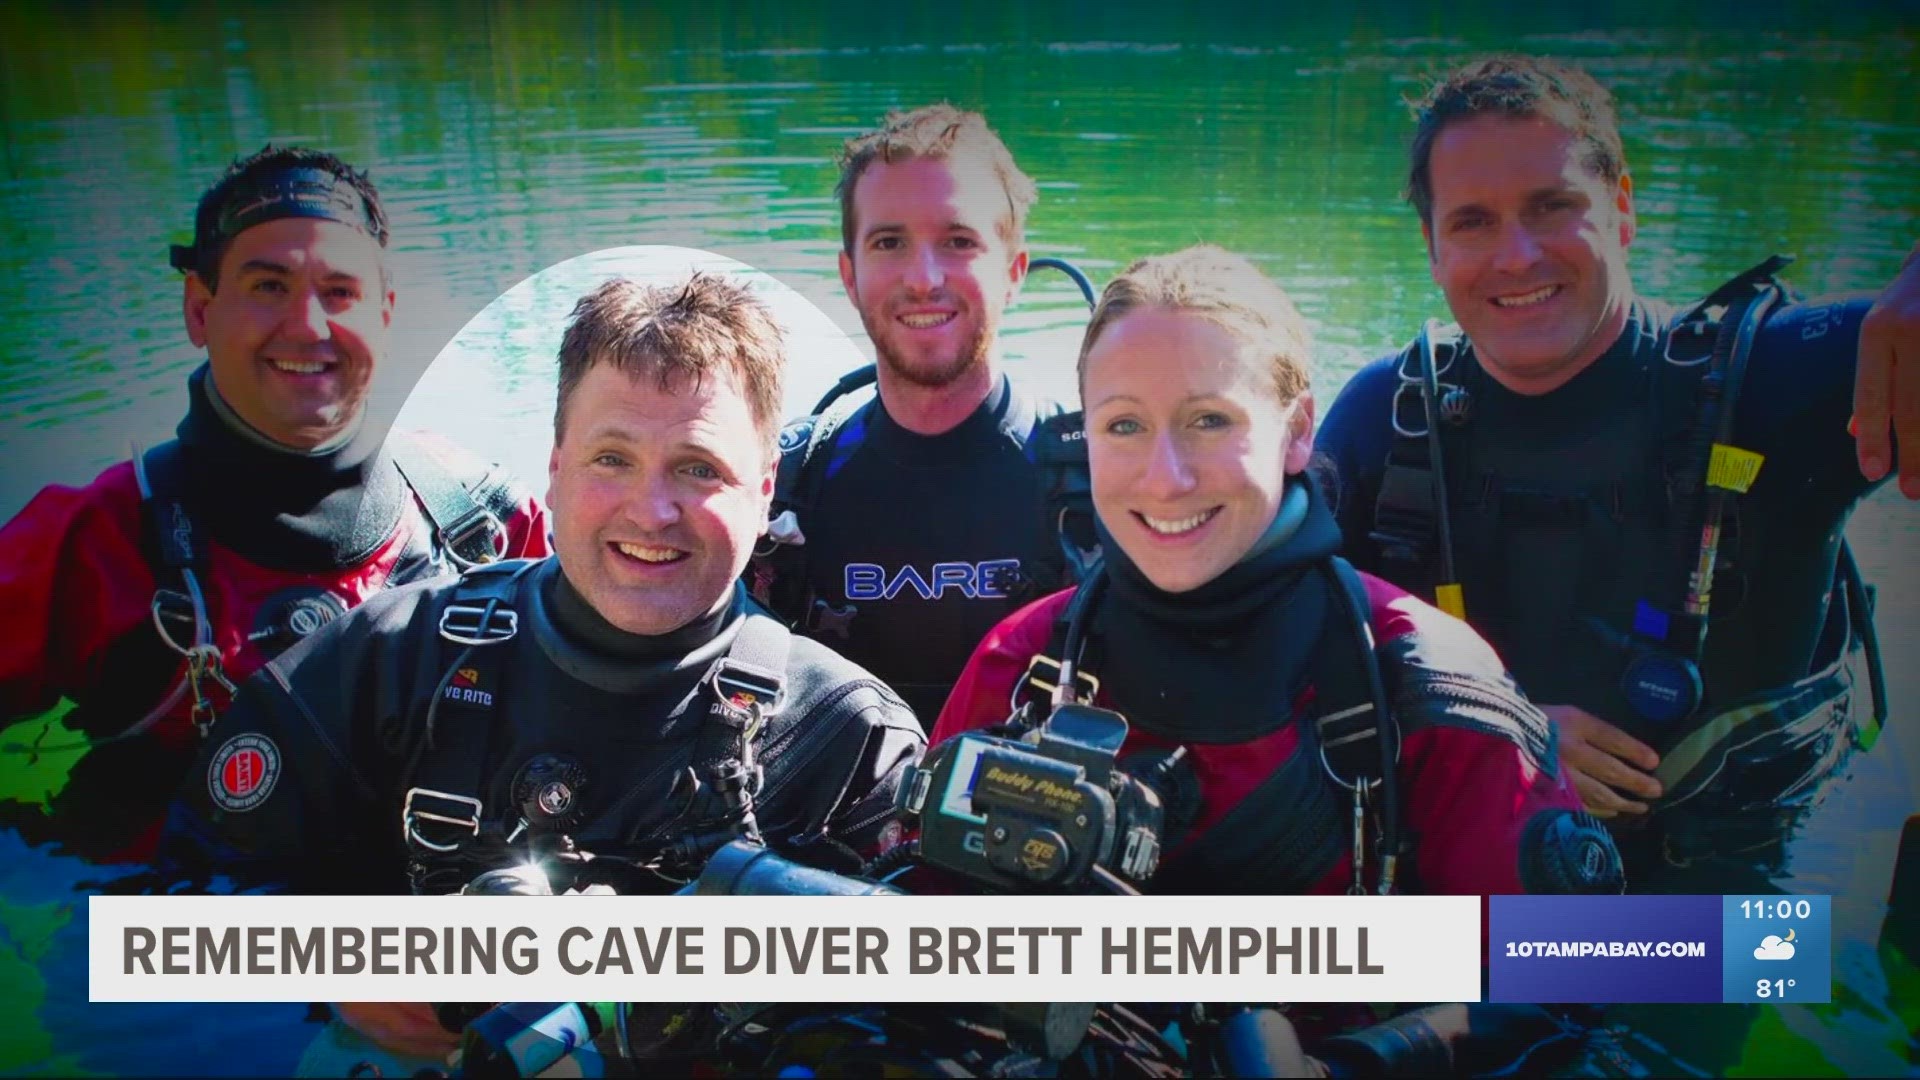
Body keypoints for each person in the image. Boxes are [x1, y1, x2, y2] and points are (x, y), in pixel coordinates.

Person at [1316, 54, 1918, 884]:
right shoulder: (1383, 420)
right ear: (1431, 245)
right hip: (1470, 901)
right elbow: (1274, 647)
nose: (1517, 256)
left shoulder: (1781, 385)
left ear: (1623, 208)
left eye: (1552, 206)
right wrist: (1494, 730)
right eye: (1473, 222)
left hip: (1732, 920)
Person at [161, 269, 925, 896]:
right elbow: (180, 904)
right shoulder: (392, 661)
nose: (652, 511)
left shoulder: (847, 740)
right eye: (612, 459)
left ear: (764, 495)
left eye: (698, 469)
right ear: (554, 472)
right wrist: (348, 979)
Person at [934, 244, 1620, 900]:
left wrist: (1399, 1027)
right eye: (1123, 426)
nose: (1166, 479)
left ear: (1297, 433)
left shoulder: (1432, 691)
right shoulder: (1022, 665)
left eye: (1209, 419)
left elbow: (1572, 971)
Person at [0, 145, 550, 863]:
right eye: (267, 286)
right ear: (200, 308)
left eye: (340, 292)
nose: (309, 327)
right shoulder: (93, 539)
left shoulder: (482, 523)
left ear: (385, 311)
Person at [750, 104, 1094, 728]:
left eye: (959, 242)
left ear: (1013, 273)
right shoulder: (788, 486)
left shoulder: (1100, 487)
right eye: (889, 242)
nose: (923, 278)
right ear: (849, 275)